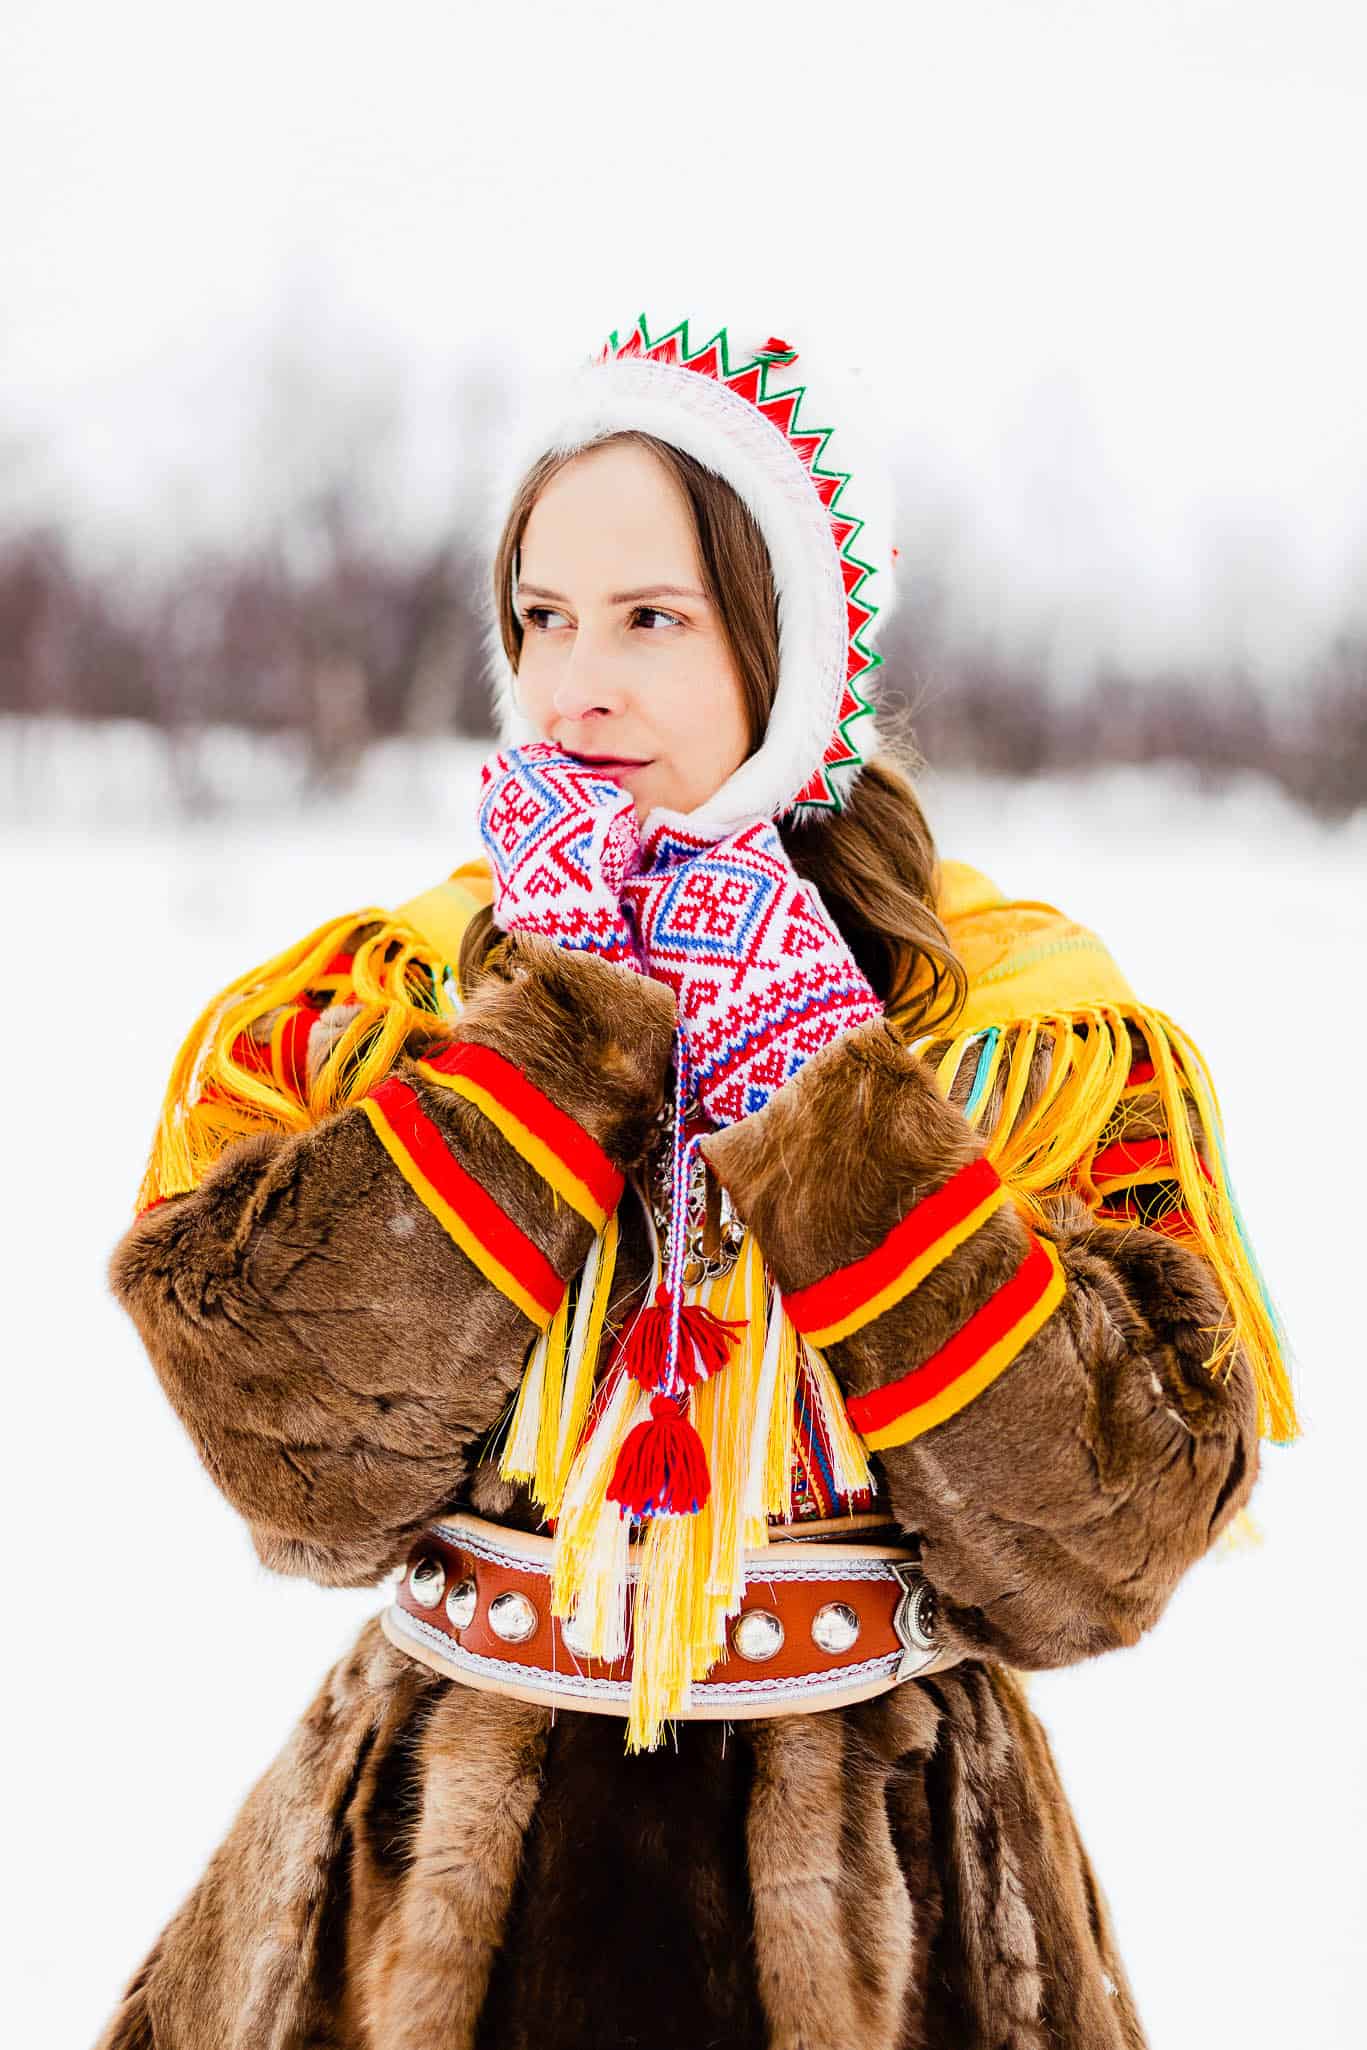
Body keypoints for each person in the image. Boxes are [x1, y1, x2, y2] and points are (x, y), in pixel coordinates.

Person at [96, 313, 1297, 2050]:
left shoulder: (1019, 1034)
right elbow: (298, 1467)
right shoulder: (397, 998)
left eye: (650, 617)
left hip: (896, 1915)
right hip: (440, 1910)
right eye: (542, 618)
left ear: (789, 649)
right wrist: (551, 1036)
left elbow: (1100, 1548)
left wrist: (827, 1092)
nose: (577, 680)